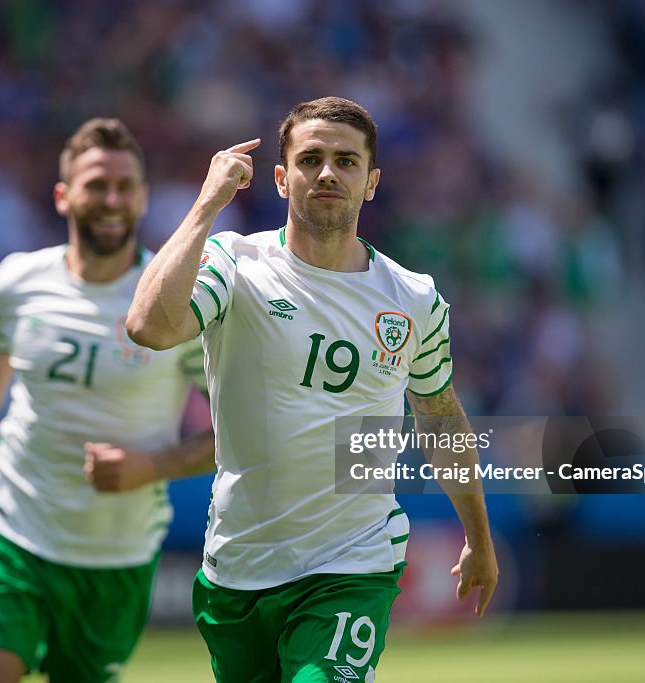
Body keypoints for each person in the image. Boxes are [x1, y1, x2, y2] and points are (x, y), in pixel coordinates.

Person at [126, 97, 499, 682]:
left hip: (353, 561)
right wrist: (206, 205)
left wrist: (479, 535)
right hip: (240, 564)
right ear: (281, 177)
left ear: (371, 182)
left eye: (347, 161)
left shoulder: (413, 298)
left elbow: (440, 417)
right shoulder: (234, 263)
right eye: (311, 159)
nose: (328, 173)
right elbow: (149, 326)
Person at [0, 118, 214, 683]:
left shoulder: (178, 307)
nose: (112, 199)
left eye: (125, 186)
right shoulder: (18, 281)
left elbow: (239, 428)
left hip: (115, 560)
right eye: (96, 184)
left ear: (144, 197)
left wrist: (152, 467)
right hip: (11, 534)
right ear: (62, 195)